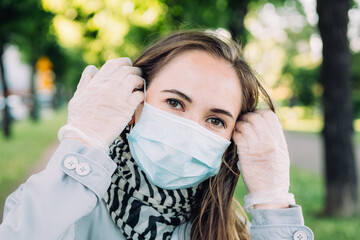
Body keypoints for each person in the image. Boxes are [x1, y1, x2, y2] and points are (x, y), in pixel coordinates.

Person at [0, 30, 314, 240]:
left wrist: (272, 203)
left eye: (216, 120)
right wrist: (84, 140)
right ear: (134, 104)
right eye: (175, 103)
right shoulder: (72, 205)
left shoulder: (233, 227)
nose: (191, 129)